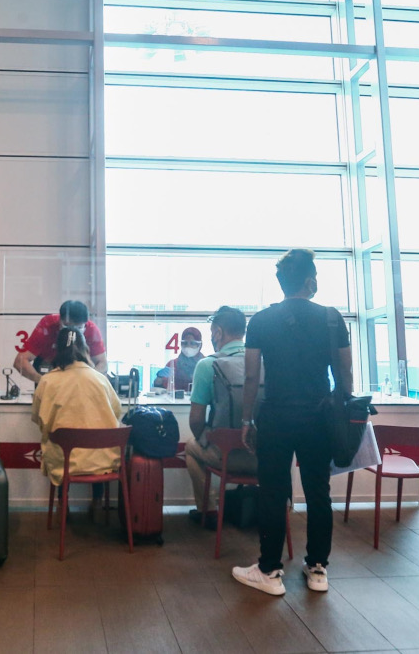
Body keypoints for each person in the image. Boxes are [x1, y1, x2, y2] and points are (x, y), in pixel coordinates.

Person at [233, 249, 351, 596]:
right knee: (318, 492)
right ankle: (317, 569)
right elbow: (345, 373)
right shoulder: (332, 318)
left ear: (282, 284)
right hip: (318, 416)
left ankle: (269, 571)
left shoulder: (261, 321)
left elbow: (252, 377)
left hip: (276, 416)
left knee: (273, 492)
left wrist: (246, 420)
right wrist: (342, 410)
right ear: (310, 281)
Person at [31, 326, 123, 513]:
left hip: (65, 462)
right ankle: (97, 501)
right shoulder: (100, 379)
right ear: (86, 350)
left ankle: (61, 502)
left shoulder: (47, 381)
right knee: (96, 442)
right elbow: (117, 412)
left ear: (57, 351)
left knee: (58, 445)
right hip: (104, 461)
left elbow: (40, 420)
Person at [185, 306, 256, 529]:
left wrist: (208, 440)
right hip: (264, 457)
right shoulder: (265, 362)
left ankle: (209, 510)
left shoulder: (208, 365)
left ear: (217, 332)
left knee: (190, 446)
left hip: (227, 457)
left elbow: (196, 420)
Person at [14, 300, 108, 383]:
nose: (72, 332)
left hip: (80, 374)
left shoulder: (91, 329)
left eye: (78, 328)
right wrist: (43, 382)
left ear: (85, 324)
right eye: (67, 326)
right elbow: (20, 361)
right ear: (60, 320)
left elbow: (103, 364)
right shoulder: (48, 325)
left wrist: (88, 381)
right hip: (49, 368)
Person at [154, 326, 205, 391]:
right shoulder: (172, 364)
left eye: (192, 343)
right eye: (185, 343)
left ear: (200, 345)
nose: (188, 346)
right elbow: (159, 390)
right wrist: (159, 378)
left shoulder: (205, 365)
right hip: (176, 401)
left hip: (199, 401)